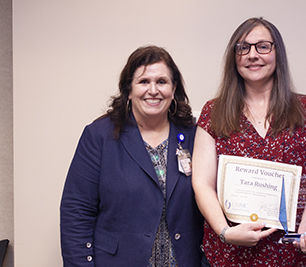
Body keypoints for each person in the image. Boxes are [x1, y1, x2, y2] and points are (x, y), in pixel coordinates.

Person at [192, 17, 306, 267]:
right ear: (233, 57)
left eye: (263, 46)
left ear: (277, 52)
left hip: (293, 254)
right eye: (243, 47)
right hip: (230, 254)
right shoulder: (213, 112)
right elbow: (202, 183)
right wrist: (225, 232)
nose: (252, 55)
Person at [60, 45, 204, 266]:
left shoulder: (195, 135)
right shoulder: (100, 136)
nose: (153, 90)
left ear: (173, 89)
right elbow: (76, 212)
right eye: (144, 82)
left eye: (162, 82)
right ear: (128, 90)